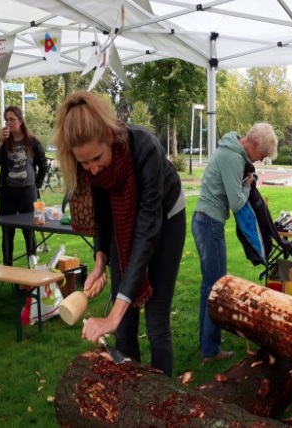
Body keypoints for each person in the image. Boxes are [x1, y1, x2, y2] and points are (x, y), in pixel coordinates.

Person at [53, 91, 186, 377]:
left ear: (107, 135)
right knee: (124, 325)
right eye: (85, 163)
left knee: (155, 319)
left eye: (97, 158)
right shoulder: (90, 164)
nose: (93, 168)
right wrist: (100, 261)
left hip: (165, 219)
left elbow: (146, 231)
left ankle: (164, 401)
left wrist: (112, 315)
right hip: (124, 226)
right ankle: (131, 394)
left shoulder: (145, 147)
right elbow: (103, 215)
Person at [192, 123, 278, 362]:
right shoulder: (233, 158)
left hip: (204, 221)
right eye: (260, 156)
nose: (259, 161)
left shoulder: (230, 150)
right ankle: (210, 350)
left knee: (209, 286)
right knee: (216, 287)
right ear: (252, 145)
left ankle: (207, 344)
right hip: (209, 223)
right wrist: (247, 184)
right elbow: (236, 202)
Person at [0, 106, 48, 266]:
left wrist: (36, 185)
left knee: (29, 232)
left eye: (12, 119)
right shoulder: (4, 142)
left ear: (20, 121)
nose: (9, 123)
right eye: (6, 119)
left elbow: (43, 165)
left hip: (27, 194)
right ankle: (7, 267)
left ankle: (33, 267)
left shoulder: (32, 142)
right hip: (7, 195)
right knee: (7, 233)